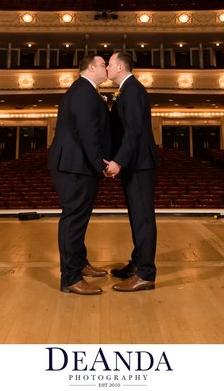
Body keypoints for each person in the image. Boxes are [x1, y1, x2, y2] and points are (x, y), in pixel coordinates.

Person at [48, 55, 112, 295]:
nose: (106, 68)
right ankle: (70, 278)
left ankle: (80, 263)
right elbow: (88, 132)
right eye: (103, 65)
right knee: (73, 221)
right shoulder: (83, 92)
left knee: (78, 220)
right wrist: (100, 164)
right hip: (74, 165)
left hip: (77, 164)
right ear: (92, 67)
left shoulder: (85, 90)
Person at [103, 51, 159, 292]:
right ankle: (138, 263)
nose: (106, 67)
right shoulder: (127, 90)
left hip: (138, 163)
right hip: (134, 163)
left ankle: (146, 273)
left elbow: (133, 131)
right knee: (137, 217)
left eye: (109, 64)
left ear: (120, 67)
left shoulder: (133, 90)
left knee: (143, 219)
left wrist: (119, 162)